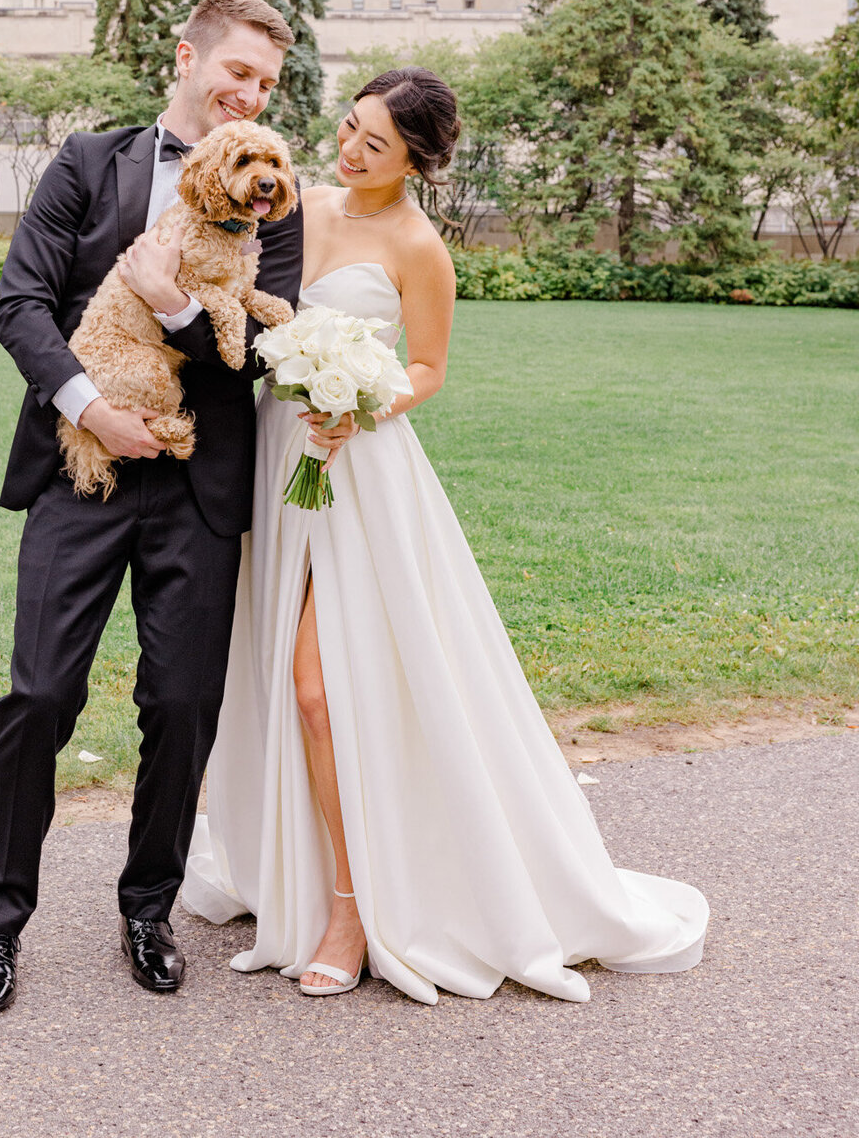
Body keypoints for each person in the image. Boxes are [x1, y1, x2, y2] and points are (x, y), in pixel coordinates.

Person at [179, 66, 710, 1004]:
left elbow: (427, 366)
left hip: (357, 470)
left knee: (319, 690)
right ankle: (292, 871)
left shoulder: (421, 246)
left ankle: (351, 908)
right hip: (274, 456)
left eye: (374, 144)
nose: (348, 151)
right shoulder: (294, 202)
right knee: (269, 675)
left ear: (416, 163)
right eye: (347, 129)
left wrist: (359, 396)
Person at [0, 0, 342, 1016]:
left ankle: (148, 905)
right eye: (238, 73)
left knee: (181, 706)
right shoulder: (89, 162)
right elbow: (20, 302)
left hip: (201, 484)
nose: (251, 94)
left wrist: (177, 306)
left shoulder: (275, 200)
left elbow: (265, 345)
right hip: (81, 468)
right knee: (38, 695)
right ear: (189, 56)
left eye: (266, 83)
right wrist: (90, 404)